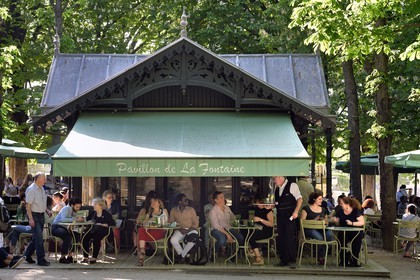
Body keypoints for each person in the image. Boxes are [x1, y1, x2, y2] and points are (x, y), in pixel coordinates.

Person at [273, 176, 302, 269]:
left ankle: (292, 260)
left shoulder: (292, 185)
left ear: (280, 178)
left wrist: (296, 211)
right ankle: (283, 260)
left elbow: (300, 199)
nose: (274, 180)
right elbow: (277, 204)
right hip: (280, 216)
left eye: (275, 178)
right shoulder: (277, 189)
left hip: (290, 216)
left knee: (290, 237)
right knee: (281, 237)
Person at [23, 172, 50, 266]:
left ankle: (27, 255)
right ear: (37, 179)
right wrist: (30, 219)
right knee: (39, 239)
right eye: (43, 178)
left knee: (36, 238)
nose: (45, 180)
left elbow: (41, 202)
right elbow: (28, 205)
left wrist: (47, 210)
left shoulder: (42, 188)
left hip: (41, 215)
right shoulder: (31, 189)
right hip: (34, 215)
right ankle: (41, 260)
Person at [300, 191, 334, 265]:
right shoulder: (306, 209)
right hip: (309, 229)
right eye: (319, 199)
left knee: (329, 236)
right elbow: (302, 222)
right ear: (314, 199)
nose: (321, 200)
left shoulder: (323, 210)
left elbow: (326, 222)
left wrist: (324, 221)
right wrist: (314, 220)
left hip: (321, 228)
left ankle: (322, 255)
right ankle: (320, 257)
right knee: (320, 238)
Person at [209, 191, 244, 258]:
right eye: (221, 197)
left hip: (228, 228)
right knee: (222, 239)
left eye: (223, 197)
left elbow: (233, 218)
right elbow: (217, 226)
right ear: (216, 200)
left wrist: (237, 221)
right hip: (216, 230)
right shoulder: (213, 211)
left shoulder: (227, 208)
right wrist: (227, 234)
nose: (223, 199)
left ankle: (233, 254)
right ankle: (213, 251)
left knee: (240, 237)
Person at [332, 196, 365, 267]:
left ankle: (354, 260)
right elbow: (337, 223)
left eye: (341, 203)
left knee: (356, 241)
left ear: (347, 205)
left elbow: (362, 222)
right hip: (344, 231)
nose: (340, 205)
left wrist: (352, 223)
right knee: (340, 240)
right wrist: (335, 221)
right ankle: (344, 259)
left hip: (356, 231)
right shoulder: (340, 212)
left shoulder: (355, 211)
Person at [81, 197, 115, 264]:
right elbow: (87, 220)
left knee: (96, 238)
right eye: (94, 204)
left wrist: (103, 224)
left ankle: (94, 257)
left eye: (95, 204)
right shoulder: (92, 213)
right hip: (93, 229)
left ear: (101, 205)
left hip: (104, 230)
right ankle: (85, 257)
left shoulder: (106, 214)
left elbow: (112, 223)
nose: (93, 206)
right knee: (84, 236)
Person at [51, 197, 84, 264]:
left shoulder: (73, 211)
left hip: (65, 228)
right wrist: (76, 219)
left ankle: (70, 256)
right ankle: (62, 257)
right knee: (67, 236)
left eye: (79, 207)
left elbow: (73, 220)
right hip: (56, 227)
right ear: (72, 205)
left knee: (76, 235)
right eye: (77, 207)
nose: (78, 209)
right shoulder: (66, 209)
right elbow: (63, 219)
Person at [136, 198, 168, 266]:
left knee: (140, 235)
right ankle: (142, 251)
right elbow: (144, 224)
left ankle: (141, 257)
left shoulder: (163, 211)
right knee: (141, 230)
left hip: (159, 231)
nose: (152, 203)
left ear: (159, 203)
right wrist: (147, 218)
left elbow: (166, 223)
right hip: (150, 232)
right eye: (151, 202)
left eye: (155, 202)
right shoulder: (150, 213)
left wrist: (156, 221)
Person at [169, 193, 199, 264]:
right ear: (180, 202)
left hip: (191, 229)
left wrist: (189, 230)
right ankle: (185, 255)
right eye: (185, 200)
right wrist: (179, 229)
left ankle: (182, 256)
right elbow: (172, 223)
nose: (187, 201)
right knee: (173, 240)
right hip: (180, 229)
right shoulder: (173, 210)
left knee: (193, 239)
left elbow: (196, 223)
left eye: (187, 200)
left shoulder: (191, 210)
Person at [248, 197, 274, 266]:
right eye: (256, 204)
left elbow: (271, 224)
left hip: (267, 230)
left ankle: (258, 257)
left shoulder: (268, 211)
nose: (258, 205)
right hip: (259, 229)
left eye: (259, 203)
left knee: (251, 236)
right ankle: (253, 250)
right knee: (247, 233)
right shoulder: (257, 210)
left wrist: (260, 220)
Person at [132, 190, 157, 255]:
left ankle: (142, 248)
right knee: (139, 230)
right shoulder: (144, 210)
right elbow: (139, 221)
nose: (154, 204)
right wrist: (147, 215)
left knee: (139, 231)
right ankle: (138, 249)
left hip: (153, 229)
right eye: (152, 202)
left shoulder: (158, 211)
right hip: (144, 227)